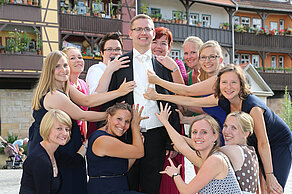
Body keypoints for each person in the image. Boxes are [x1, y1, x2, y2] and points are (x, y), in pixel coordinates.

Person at [144, 64, 292, 193]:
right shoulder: (222, 99)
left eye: (233, 82)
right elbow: (188, 99)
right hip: (252, 139)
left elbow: (263, 143)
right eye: (224, 82)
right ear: (219, 84)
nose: (228, 87)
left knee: (272, 188)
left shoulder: (253, 107)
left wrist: (270, 174)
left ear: (241, 84)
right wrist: (158, 96)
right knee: (262, 189)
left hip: (277, 142)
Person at [28, 50, 135, 194]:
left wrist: (119, 92)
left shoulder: (65, 87)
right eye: (57, 66)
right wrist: (114, 117)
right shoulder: (53, 95)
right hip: (55, 149)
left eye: (65, 65)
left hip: (66, 148)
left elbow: (87, 100)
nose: (63, 70)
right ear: (49, 70)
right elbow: (83, 115)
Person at [102, 14, 181, 194]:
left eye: (147, 29)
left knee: (151, 186)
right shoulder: (119, 63)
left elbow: (171, 100)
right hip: (126, 135)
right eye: (138, 29)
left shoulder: (163, 66)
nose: (143, 33)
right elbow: (109, 100)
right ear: (130, 33)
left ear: (153, 34)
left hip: (157, 137)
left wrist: (171, 141)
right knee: (126, 185)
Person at [156, 103, 241, 193]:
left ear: (215, 136)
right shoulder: (206, 158)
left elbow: (187, 191)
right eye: (194, 132)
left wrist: (175, 174)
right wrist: (165, 122)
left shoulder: (215, 160)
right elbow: (182, 145)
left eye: (204, 132)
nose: (198, 136)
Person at [151, 26, 185, 194]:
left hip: (172, 126)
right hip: (152, 128)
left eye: (163, 43)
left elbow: (182, 96)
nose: (158, 47)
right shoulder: (146, 64)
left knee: (170, 179)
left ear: (170, 47)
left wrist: (173, 69)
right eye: (154, 42)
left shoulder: (176, 65)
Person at [20, 109, 87, 194]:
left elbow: (74, 161)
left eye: (67, 129)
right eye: (59, 128)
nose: (64, 133)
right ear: (47, 128)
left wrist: (85, 144)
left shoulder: (53, 153)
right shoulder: (40, 160)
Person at [87, 103, 146, 194]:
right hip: (105, 189)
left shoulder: (111, 137)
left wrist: (138, 145)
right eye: (119, 119)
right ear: (109, 117)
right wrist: (134, 126)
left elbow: (123, 168)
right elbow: (139, 152)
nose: (122, 124)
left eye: (127, 121)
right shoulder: (103, 140)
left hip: (118, 187)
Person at [86, 32, 130, 138]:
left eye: (117, 49)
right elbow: (95, 97)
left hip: (121, 125)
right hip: (101, 123)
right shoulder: (96, 70)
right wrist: (109, 69)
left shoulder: (124, 71)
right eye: (109, 49)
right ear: (102, 53)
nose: (114, 53)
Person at [220, 111, 259, 193]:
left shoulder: (235, 150)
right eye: (225, 126)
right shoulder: (250, 151)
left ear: (246, 133)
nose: (226, 131)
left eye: (234, 128)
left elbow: (205, 154)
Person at [62, 47, 88, 141]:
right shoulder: (64, 85)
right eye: (73, 58)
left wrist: (85, 137)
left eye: (80, 57)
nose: (78, 61)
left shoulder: (83, 84)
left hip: (80, 134)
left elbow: (84, 116)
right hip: (67, 134)